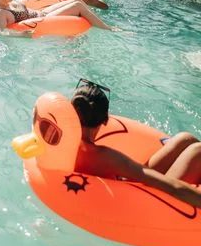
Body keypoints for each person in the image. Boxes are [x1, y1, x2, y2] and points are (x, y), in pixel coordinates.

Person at [71, 79, 201, 207]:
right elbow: (172, 187)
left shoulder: (64, 142)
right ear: (105, 120)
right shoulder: (105, 157)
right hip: (142, 206)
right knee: (198, 151)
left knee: (185, 139)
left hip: (125, 188)